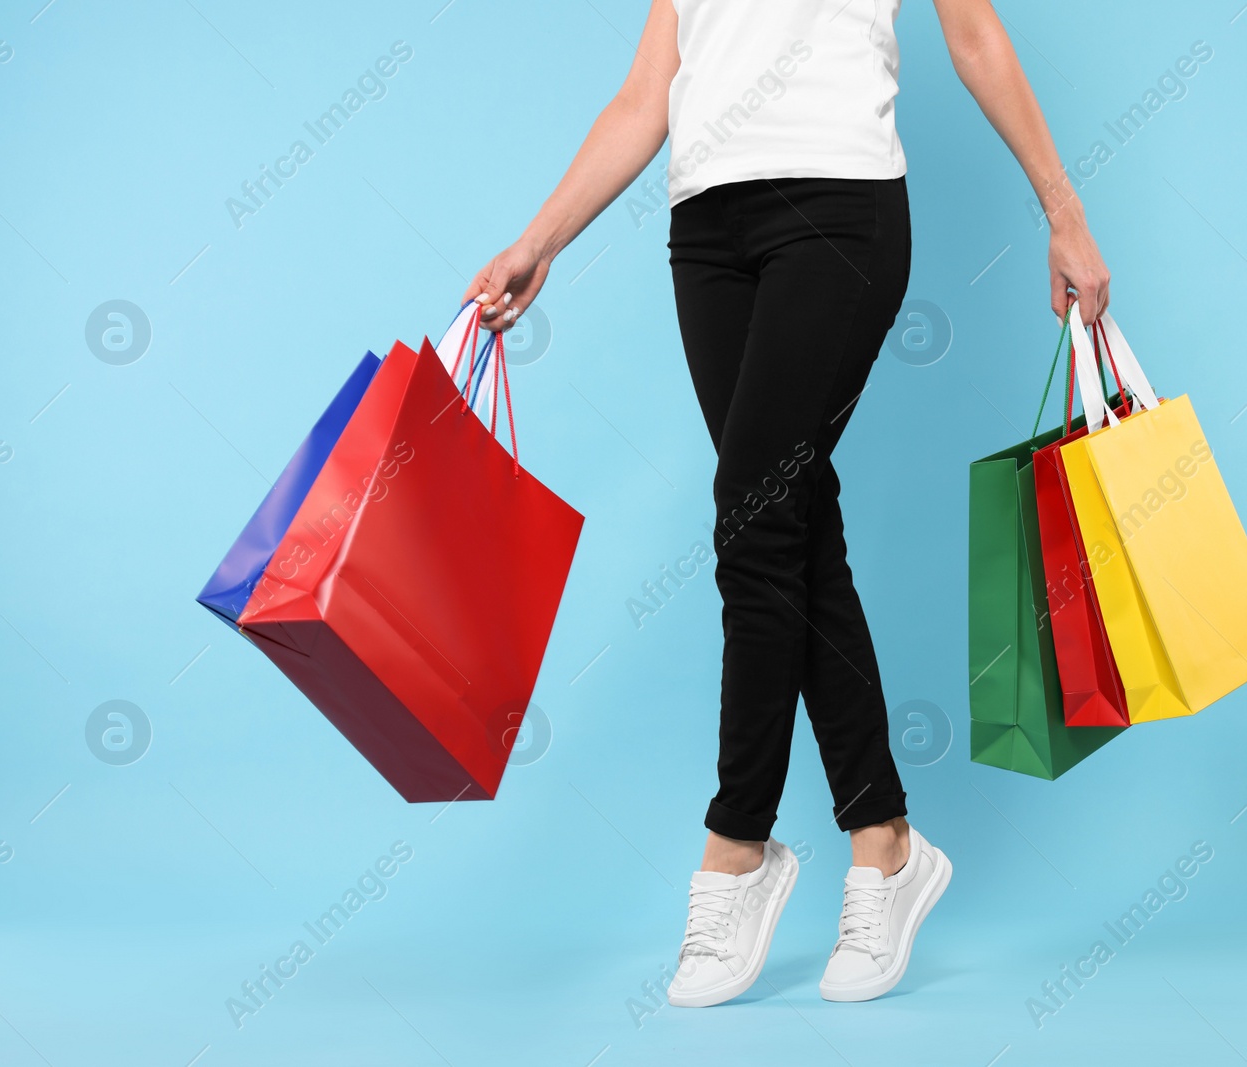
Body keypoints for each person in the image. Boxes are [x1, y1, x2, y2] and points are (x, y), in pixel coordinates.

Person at [463, 0, 1111, 1006]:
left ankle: (737, 845)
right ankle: (884, 841)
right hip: (706, 230)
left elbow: (975, 35)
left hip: (841, 207)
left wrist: (1063, 215)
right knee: (790, 518)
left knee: (755, 515)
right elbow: (646, 95)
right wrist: (539, 240)